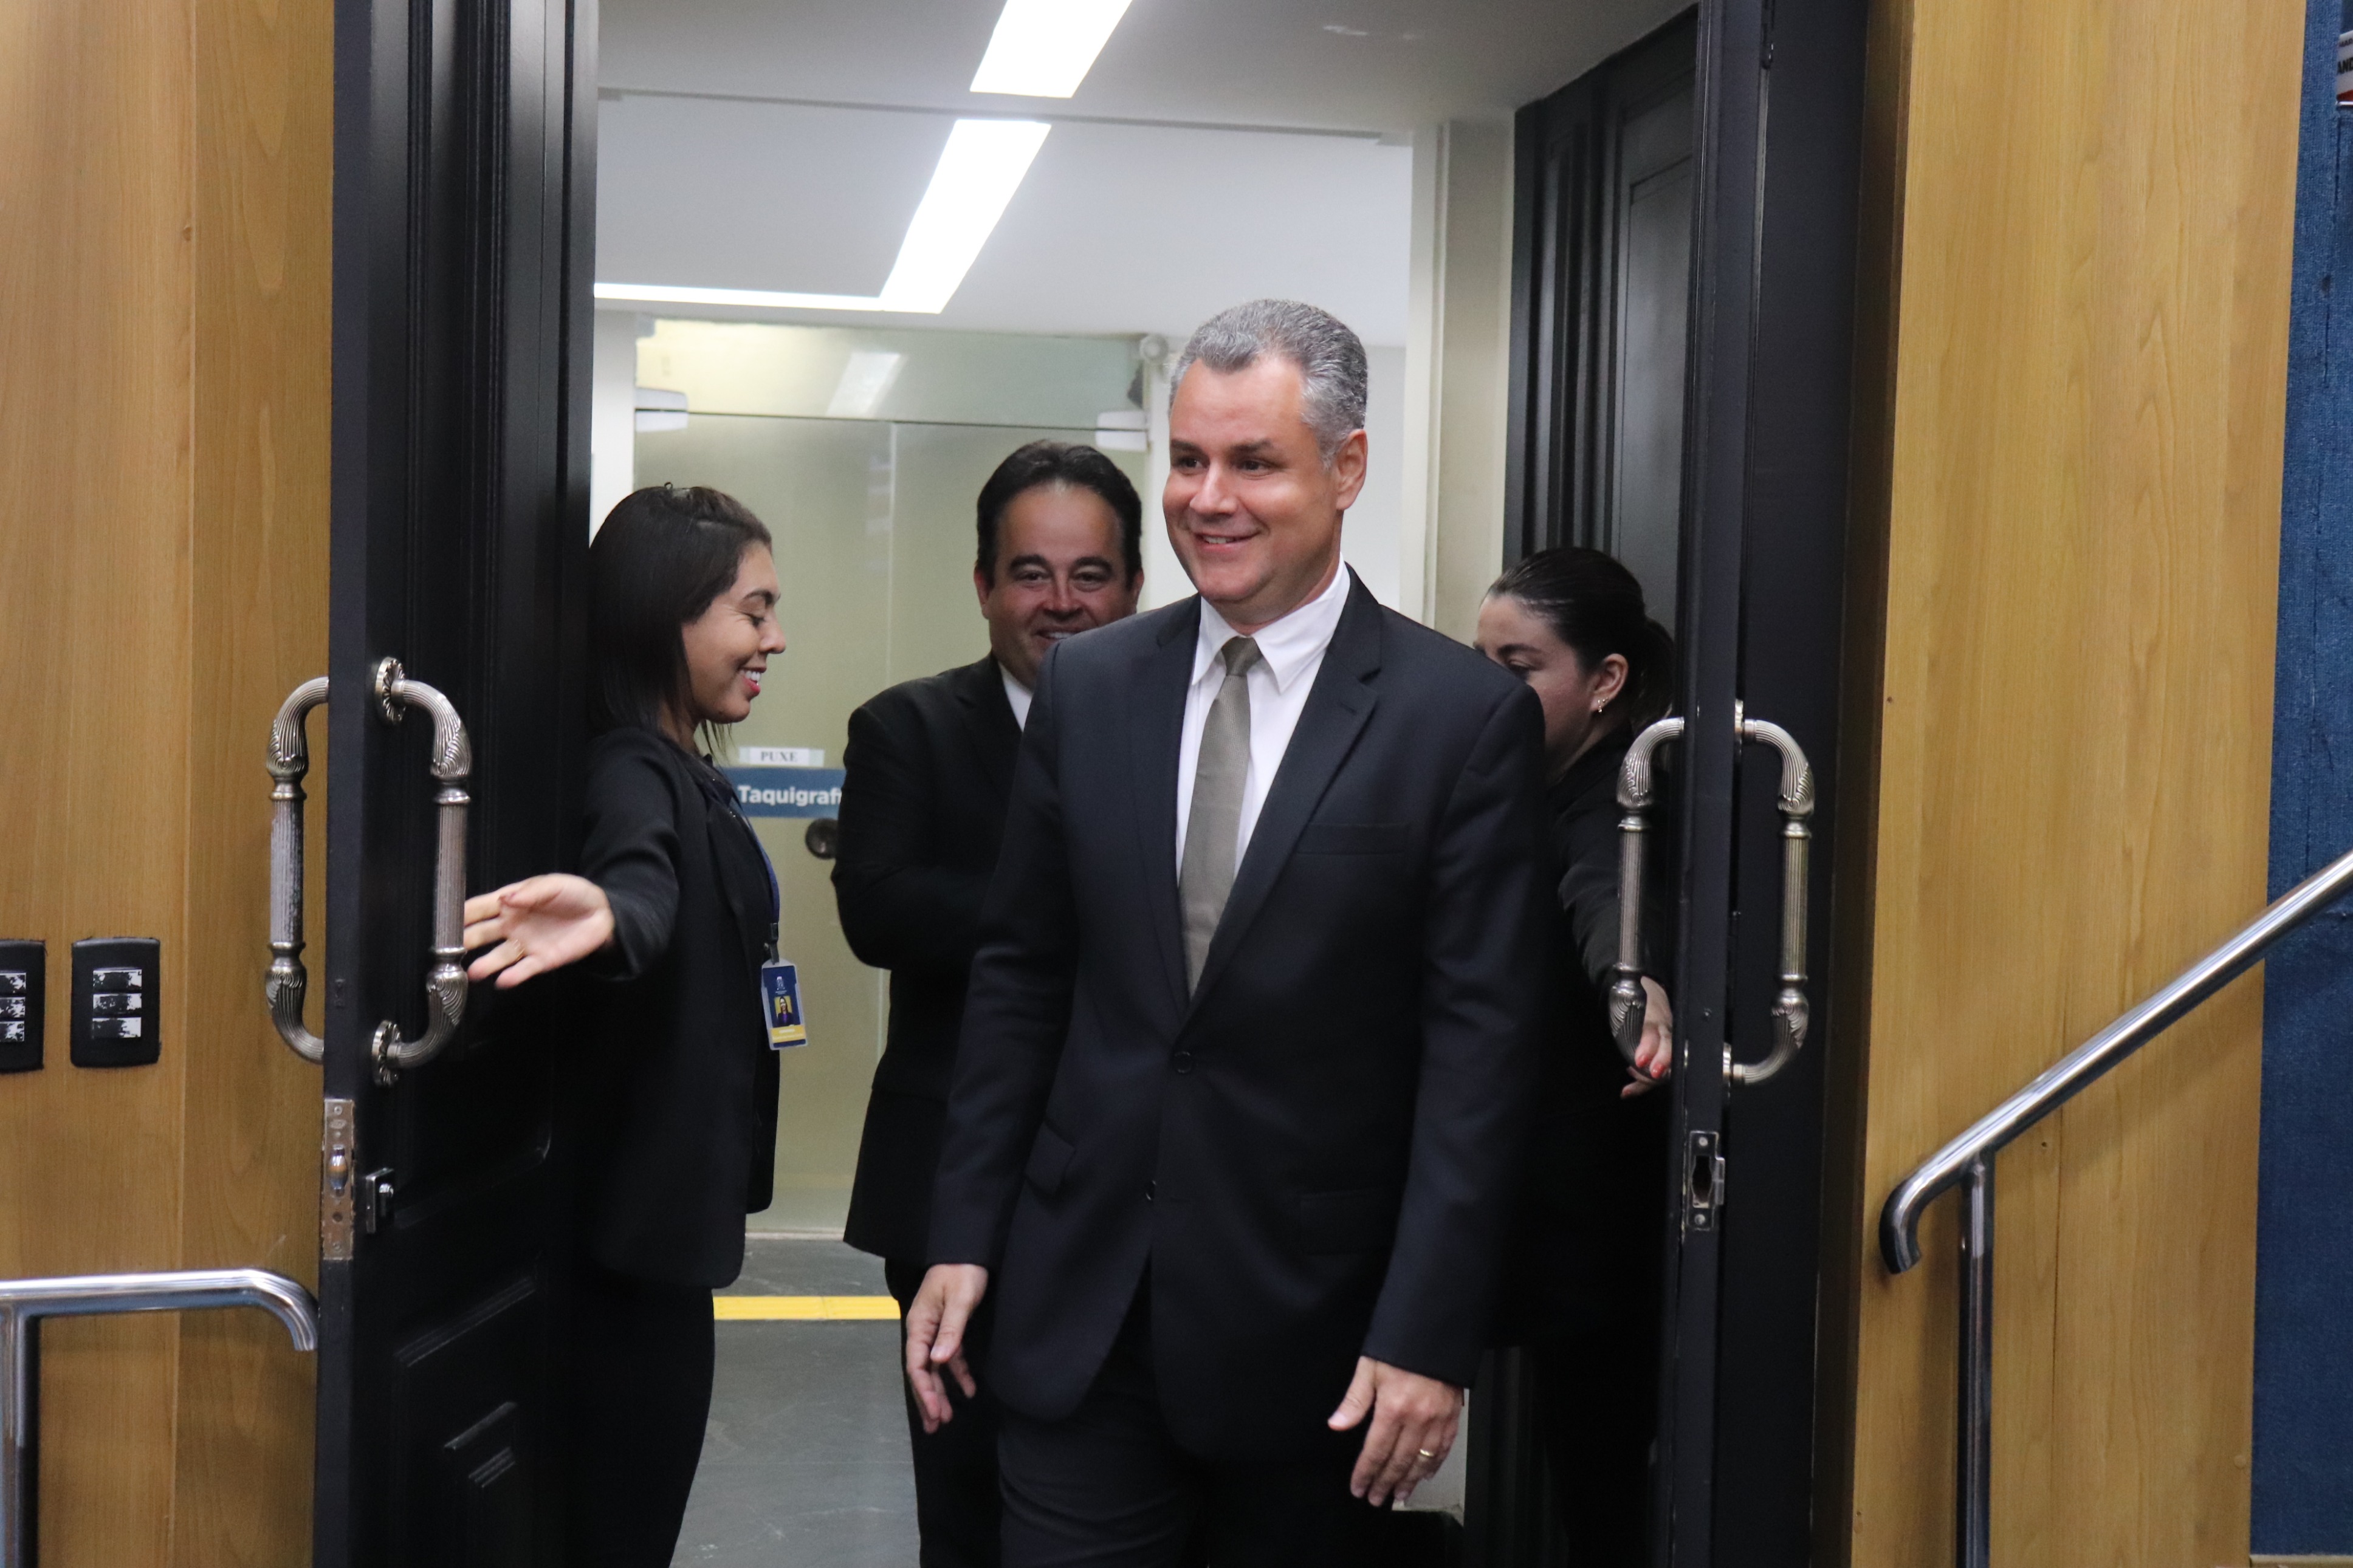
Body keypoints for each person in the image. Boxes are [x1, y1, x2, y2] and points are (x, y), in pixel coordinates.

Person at [902, 299, 1551, 1565]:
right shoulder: (1091, 687)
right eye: (1189, 460)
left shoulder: (1458, 720)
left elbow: (1480, 1059)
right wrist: (964, 1234)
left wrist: (1427, 1332)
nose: (1209, 499)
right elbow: (1023, 978)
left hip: (1318, 1336)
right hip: (1084, 1306)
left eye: (1254, 462)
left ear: (1346, 468)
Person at [458, 484, 788, 1568]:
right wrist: (614, 914)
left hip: (659, 1240)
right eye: (752, 611)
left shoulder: (683, 765)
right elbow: (640, 882)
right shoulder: (632, 768)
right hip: (625, 1257)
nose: (773, 639)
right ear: (664, 617)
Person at [834, 440, 1145, 1566]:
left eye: (1090, 574)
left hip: (1138, 1185)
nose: (1061, 602)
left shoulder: (1185, 732)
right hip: (950, 1181)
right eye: (1030, 573)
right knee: (966, 1505)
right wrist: (1083, 907)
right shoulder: (905, 728)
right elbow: (880, 909)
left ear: (1134, 586)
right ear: (982, 585)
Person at [1475, 547, 1678, 1566]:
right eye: (1481, 662)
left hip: (1601, 1223)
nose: (1489, 689)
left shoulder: (1613, 795)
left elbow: (1602, 893)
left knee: (1601, 1485)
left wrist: (1631, 991)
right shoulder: (1519, 781)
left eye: (1519, 667)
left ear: (1606, 681)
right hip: (1552, 1209)